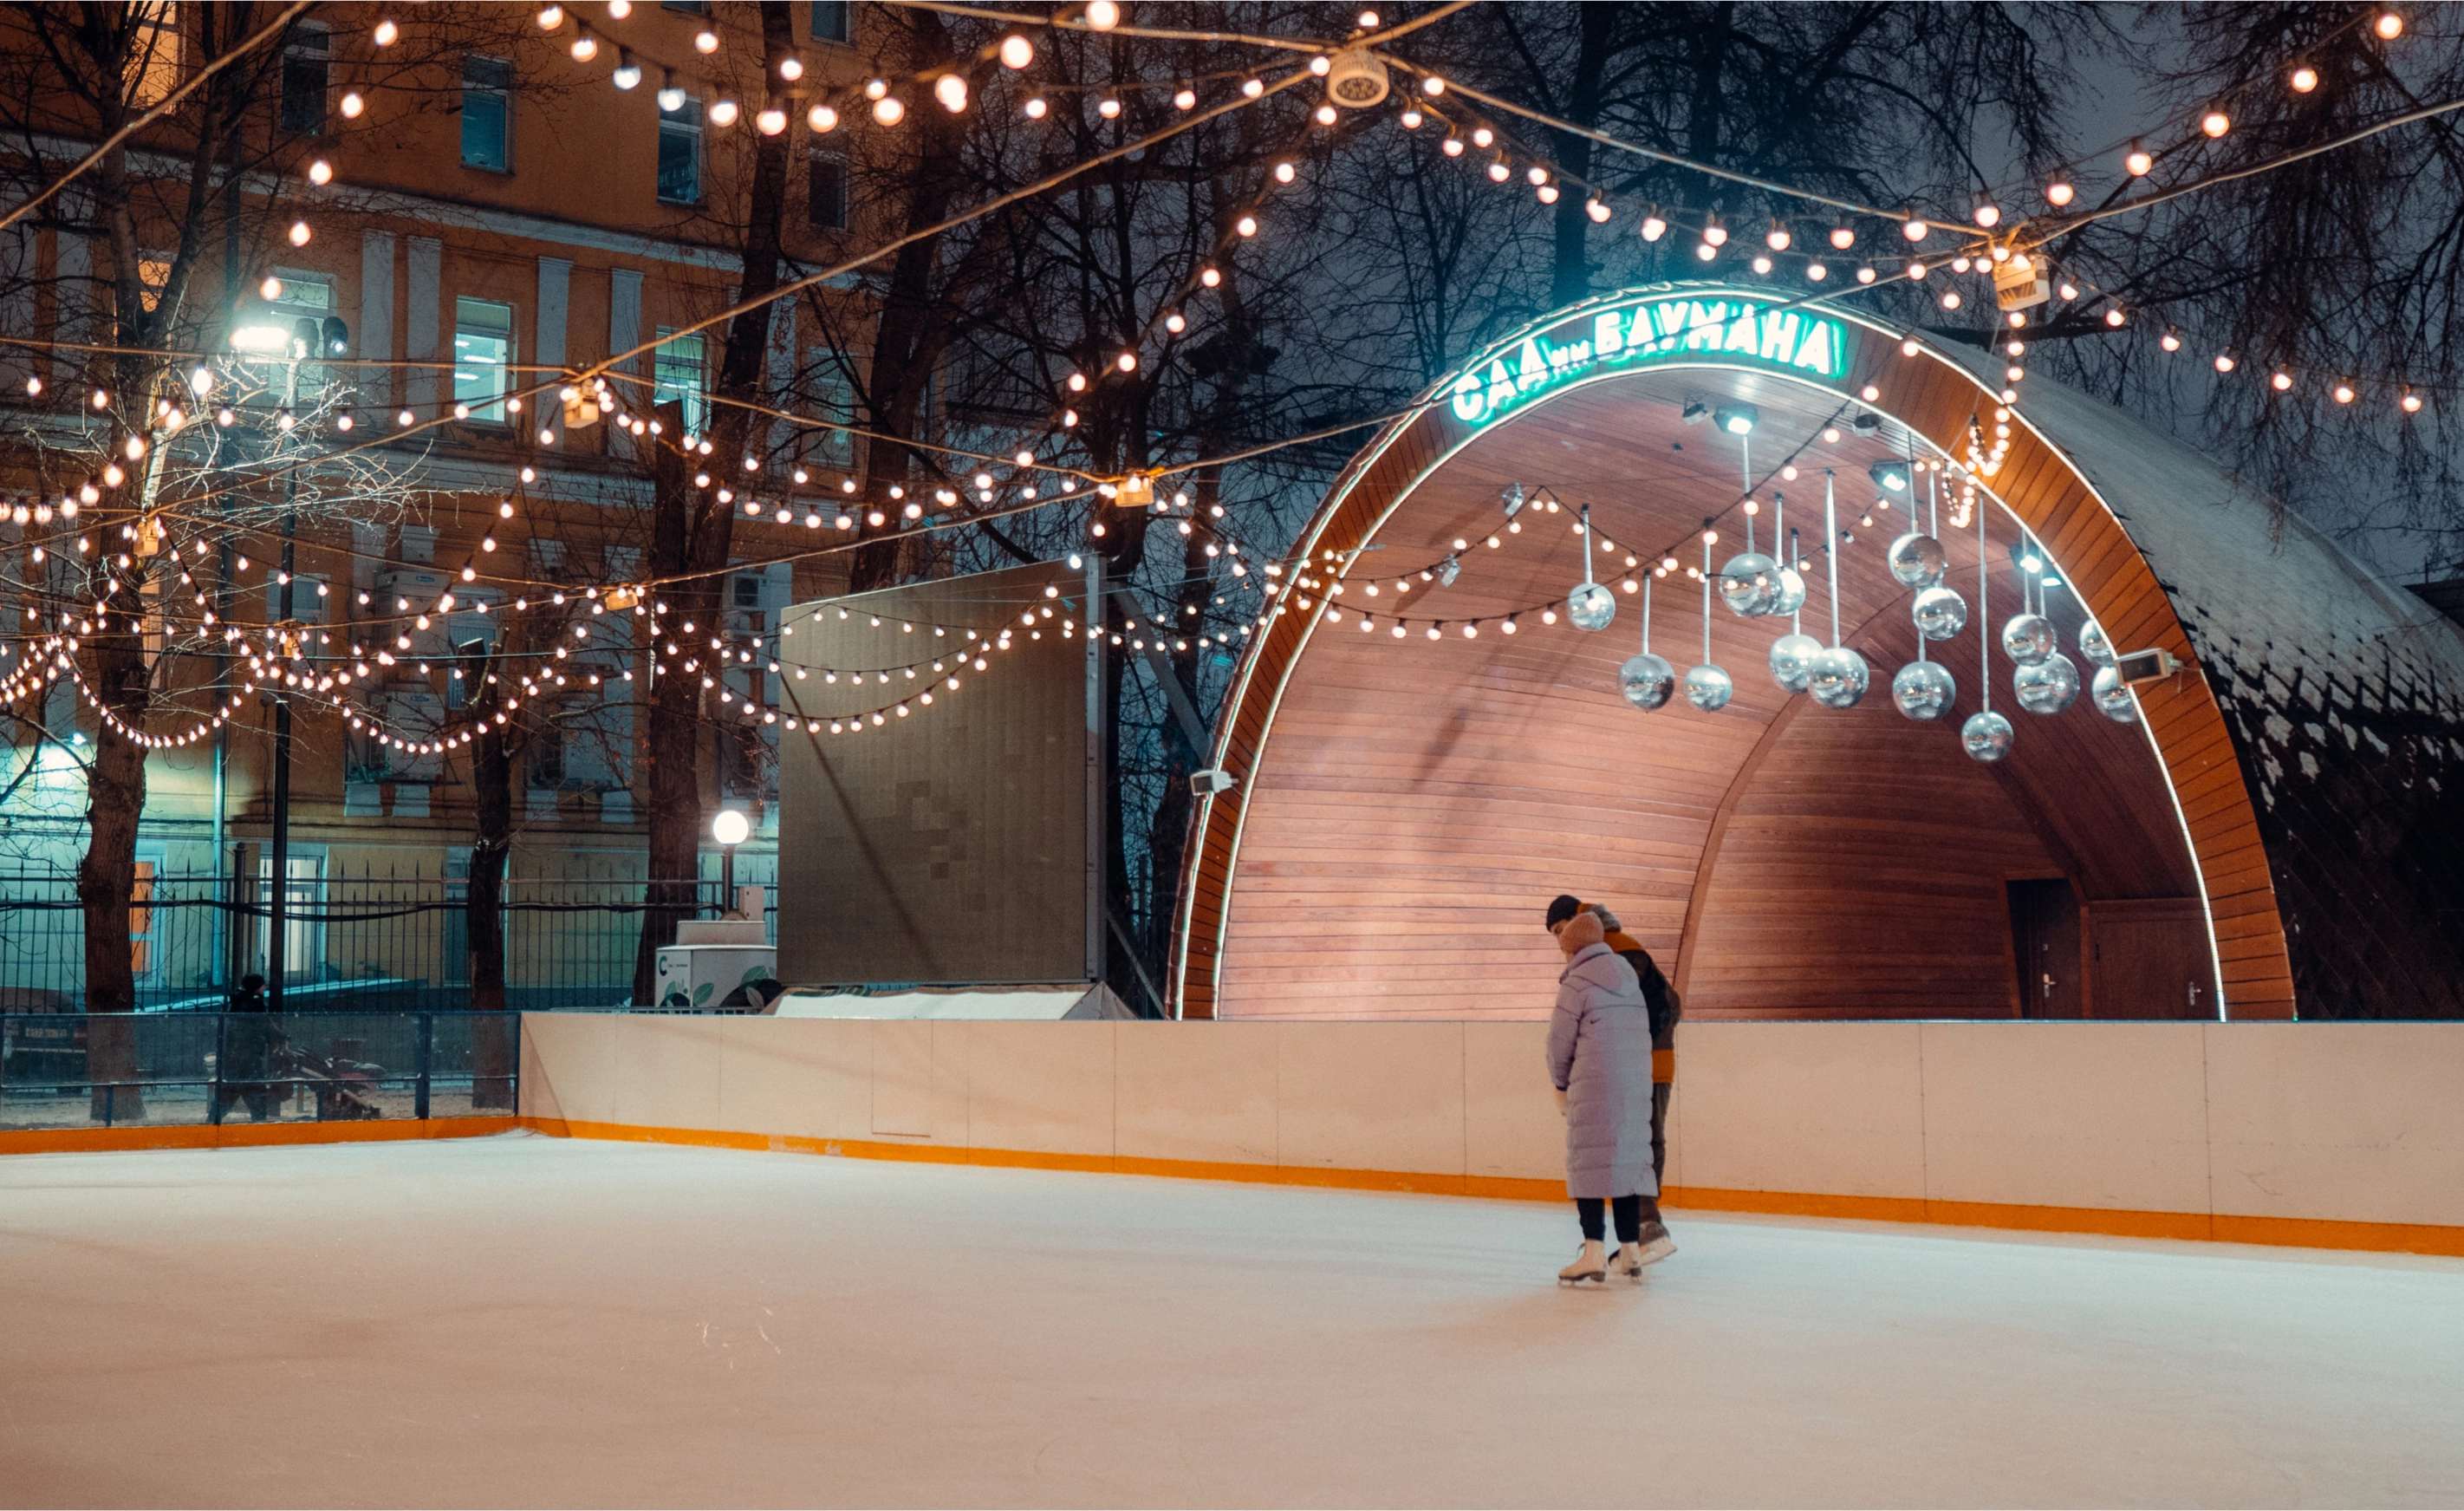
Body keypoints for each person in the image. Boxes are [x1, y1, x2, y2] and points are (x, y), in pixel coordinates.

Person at [1547, 895, 1680, 1265]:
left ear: (1580, 922)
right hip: (1640, 1063)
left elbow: (1668, 1004)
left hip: (1643, 1064)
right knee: (1633, 1142)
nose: (1561, 943)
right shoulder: (1614, 954)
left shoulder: (1618, 951)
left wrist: (1631, 1049)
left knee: (1640, 1141)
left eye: (1562, 931)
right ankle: (1637, 1235)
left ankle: (1648, 1227)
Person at [214, 974, 277, 1123]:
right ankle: (259, 1124)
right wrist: (275, 1038)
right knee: (256, 1095)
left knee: (227, 1095)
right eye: (263, 984)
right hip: (250, 1058)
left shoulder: (237, 1001)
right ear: (256, 986)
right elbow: (264, 1026)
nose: (265, 987)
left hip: (233, 1058)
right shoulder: (255, 1003)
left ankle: (212, 1122)